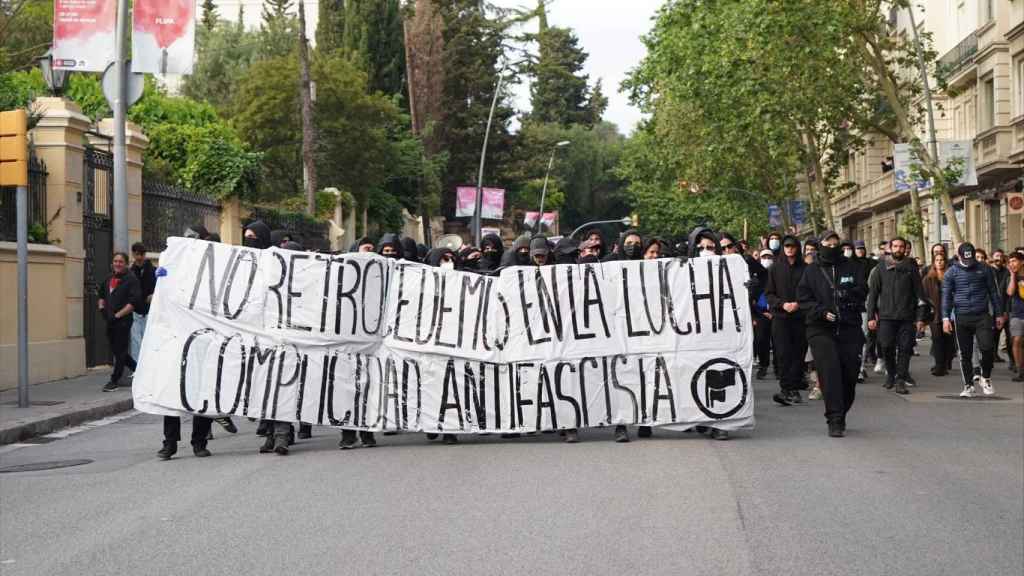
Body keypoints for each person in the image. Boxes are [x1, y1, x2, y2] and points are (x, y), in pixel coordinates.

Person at [797, 232, 867, 437]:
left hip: (849, 327)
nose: (833, 247)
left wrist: (848, 295)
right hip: (820, 329)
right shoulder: (811, 271)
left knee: (849, 374)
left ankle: (842, 410)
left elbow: (863, 289)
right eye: (828, 244)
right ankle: (834, 419)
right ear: (821, 246)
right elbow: (803, 299)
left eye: (836, 244)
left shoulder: (853, 267)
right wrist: (820, 312)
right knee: (830, 373)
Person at [866, 237, 928, 395]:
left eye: (901, 247)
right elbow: (873, 294)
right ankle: (891, 374)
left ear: (905, 249)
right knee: (886, 346)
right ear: (890, 247)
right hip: (886, 316)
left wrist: (920, 318)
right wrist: (871, 317)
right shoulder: (880, 268)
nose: (898, 249)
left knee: (905, 349)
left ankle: (901, 380)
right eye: (895, 246)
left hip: (907, 317)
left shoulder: (911, 268)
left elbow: (920, 295)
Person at [943, 242, 1004, 397]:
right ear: (959, 256)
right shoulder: (951, 272)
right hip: (961, 316)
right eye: (966, 259)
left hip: (982, 315)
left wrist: (998, 314)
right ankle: (968, 385)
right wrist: (945, 318)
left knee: (988, 347)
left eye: (971, 260)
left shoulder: (985, 269)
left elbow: (994, 293)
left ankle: (986, 377)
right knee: (965, 353)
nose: (969, 263)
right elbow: (946, 297)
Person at [766, 236, 807, 406]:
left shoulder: (806, 269)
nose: (789, 249)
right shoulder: (774, 268)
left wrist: (798, 304)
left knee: (798, 353)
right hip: (780, 317)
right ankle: (785, 389)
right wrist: (782, 304)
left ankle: (794, 388)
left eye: (793, 246)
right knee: (782, 353)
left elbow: (811, 291)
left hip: (800, 317)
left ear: (797, 248)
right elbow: (769, 293)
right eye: (786, 246)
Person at [99, 252, 141, 392]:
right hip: (110, 320)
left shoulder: (131, 279)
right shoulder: (108, 278)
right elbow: (101, 295)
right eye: (115, 261)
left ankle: (114, 380)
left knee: (120, 350)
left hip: (123, 320)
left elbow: (133, 302)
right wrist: (102, 310)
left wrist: (118, 315)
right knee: (118, 351)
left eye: (121, 261)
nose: (117, 264)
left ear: (126, 263)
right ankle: (139, 370)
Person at [922, 253, 955, 376]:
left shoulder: (951, 276)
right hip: (934, 314)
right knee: (937, 340)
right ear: (933, 263)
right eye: (937, 260)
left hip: (950, 313)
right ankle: (939, 366)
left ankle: (946, 362)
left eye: (942, 260)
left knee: (949, 340)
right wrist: (923, 316)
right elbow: (923, 296)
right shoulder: (928, 278)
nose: (939, 262)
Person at [129, 243, 156, 363]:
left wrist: (154, 295)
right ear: (133, 254)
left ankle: (148, 368)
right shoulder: (130, 272)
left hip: (150, 311)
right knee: (136, 342)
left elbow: (161, 287)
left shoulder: (153, 270)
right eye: (137, 254)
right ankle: (136, 369)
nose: (139, 257)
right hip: (135, 311)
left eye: (142, 254)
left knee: (148, 341)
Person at [754, 249, 775, 379]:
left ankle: (779, 368)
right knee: (762, 341)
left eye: (769, 256)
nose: (766, 258)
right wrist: (759, 312)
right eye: (764, 256)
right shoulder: (755, 278)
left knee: (778, 343)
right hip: (761, 314)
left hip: (777, 313)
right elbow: (751, 298)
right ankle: (763, 366)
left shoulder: (778, 274)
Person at [990, 249, 1011, 365]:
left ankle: (1011, 361)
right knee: (994, 333)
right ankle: (992, 355)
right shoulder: (989, 271)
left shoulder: (1006, 271)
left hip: (1005, 305)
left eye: (1001, 256)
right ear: (992, 257)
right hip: (993, 306)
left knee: (1007, 334)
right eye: (996, 256)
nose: (999, 258)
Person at [1006, 252, 1024, 382]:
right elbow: (1010, 292)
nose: (1012, 264)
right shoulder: (1012, 277)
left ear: (1022, 262)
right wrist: (1013, 275)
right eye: (1010, 261)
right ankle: (1020, 370)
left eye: (1014, 261)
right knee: (1016, 340)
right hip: (1016, 314)